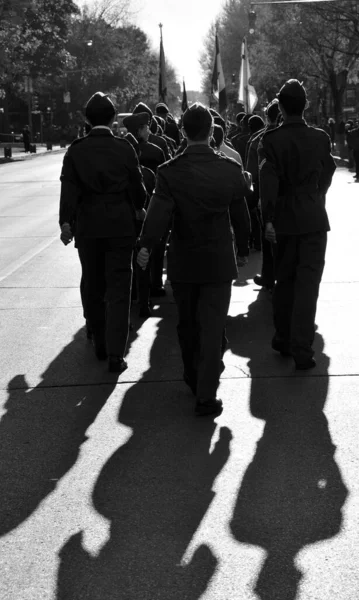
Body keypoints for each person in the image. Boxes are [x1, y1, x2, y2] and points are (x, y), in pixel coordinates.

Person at [137, 103, 251, 417]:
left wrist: (146, 245)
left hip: (184, 259)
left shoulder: (169, 172)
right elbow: (241, 216)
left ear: (184, 132)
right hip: (217, 259)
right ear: (212, 132)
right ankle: (206, 393)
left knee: (187, 324)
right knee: (213, 327)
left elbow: (159, 215)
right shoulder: (229, 169)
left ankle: (193, 375)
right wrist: (243, 248)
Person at [59, 92, 147, 373]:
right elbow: (138, 188)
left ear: (87, 119)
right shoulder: (124, 148)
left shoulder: (76, 150)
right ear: (112, 118)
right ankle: (115, 355)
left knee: (93, 284)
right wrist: (139, 207)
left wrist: (65, 222)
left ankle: (97, 337)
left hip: (88, 227)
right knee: (120, 290)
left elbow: (69, 189)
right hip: (120, 226)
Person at [259, 79, 336, 369]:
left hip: (285, 218)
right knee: (308, 285)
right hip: (313, 216)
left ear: (280, 106)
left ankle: (284, 337)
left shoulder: (271, 140)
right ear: (305, 106)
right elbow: (327, 171)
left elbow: (268, 183)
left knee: (285, 280)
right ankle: (301, 346)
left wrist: (267, 218)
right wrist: (317, 195)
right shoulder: (320, 137)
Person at [248, 99, 280, 290]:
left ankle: (269, 276)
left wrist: (254, 200)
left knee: (268, 242)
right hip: (295, 201)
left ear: (267, 117)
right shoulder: (307, 137)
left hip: (266, 199)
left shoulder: (259, 140)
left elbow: (252, 174)